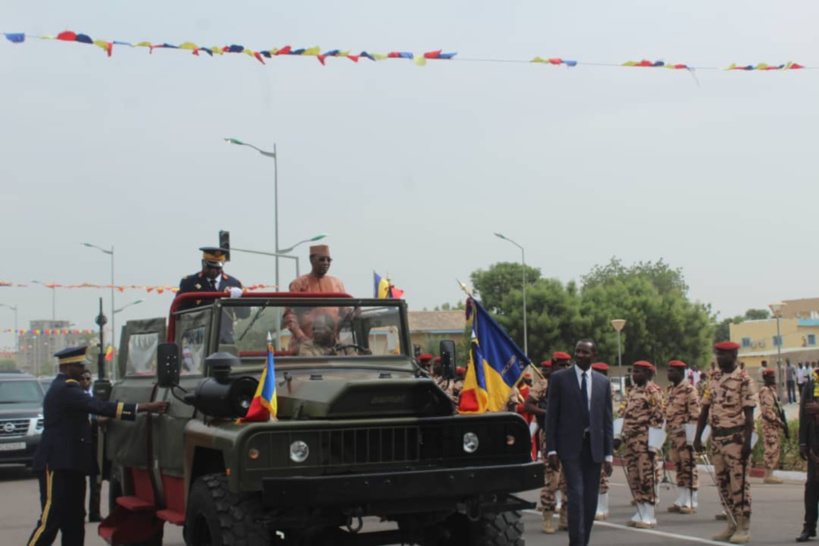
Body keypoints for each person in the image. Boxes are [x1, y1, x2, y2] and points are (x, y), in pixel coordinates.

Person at [27, 346, 168, 546]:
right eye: (79, 366)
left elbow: (73, 421)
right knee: (50, 520)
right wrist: (143, 407)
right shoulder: (66, 388)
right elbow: (100, 406)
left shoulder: (69, 388)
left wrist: (95, 423)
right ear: (66, 367)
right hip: (57, 464)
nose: (83, 369)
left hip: (72, 464)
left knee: (75, 520)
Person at [545, 339, 614, 546]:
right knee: (576, 494)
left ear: (594, 356)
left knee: (590, 499)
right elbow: (551, 416)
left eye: (585, 352)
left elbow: (607, 420)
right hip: (570, 447)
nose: (580, 355)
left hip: (594, 448)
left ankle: (584, 541)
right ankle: (575, 542)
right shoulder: (559, 379)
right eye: (578, 351)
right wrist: (551, 449)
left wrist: (608, 454)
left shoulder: (603, 383)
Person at [694, 341, 758, 544]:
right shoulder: (713, 378)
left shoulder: (744, 380)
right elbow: (705, 410)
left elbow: (749, 415)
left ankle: (743, 527)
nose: (718, 358)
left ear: (734, 356)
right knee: (722, 484)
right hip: (718, 439)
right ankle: (731, 524)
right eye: (717, 354)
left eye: (723, 354)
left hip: (736, 439)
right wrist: (697, 437)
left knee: (739, 485)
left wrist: (747, 444)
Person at [617, 360, 664, 528]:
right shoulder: (632, 391)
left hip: (645, 441)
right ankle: (640, 510)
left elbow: (658, 419)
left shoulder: (652, 392)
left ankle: (649, 514)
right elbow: (623, 414)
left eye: (638, 372)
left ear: (648, 373)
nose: (634, 375)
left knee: (646, 477)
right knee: (634, 477)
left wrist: (653, 445)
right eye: (633, 371)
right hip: (631, 440)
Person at [177, 246, 246, 343]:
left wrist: (238, 300)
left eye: (217, 267)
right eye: (209, 266)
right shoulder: (189, 282)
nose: (213, 270)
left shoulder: (233, 283)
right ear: (203, 263)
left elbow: (244, 314)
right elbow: (179, 313)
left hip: (223, 340)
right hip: (197, 340)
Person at [284, 244, 347, 349]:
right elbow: (290, 315)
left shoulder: (337, 284)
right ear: (311, 260)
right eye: (322, 259)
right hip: (304, 346)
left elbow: (345, 313)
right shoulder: (299, 284)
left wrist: (354, 312)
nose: (326, 263)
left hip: (331, 346)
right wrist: (302, 338)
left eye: (328, 260)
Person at [665, 360, 701, 515]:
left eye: (671, 371)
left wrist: (692, 439)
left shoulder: (689, 390)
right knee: (678, 466)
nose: (668, 373)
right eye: (668, 370)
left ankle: (692, 500)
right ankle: (682, 497)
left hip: (686, 435)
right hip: (674, 434)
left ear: (680, 372)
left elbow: (695, 415)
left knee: (689, 466)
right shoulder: (671, 390)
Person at [798, 365, 819, 542]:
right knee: (812, 487)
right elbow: (803, 415)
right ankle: (809, 527)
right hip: (815, 446)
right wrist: (803, 443)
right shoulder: (810, 385)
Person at [590, 361, 612, 521]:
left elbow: (607, 418)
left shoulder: (605, 389)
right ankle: (595, 505)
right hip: (589, 436)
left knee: (602, 474)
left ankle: (602, 507)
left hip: (601, 435)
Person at [80, 370, 102, 523]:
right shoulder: (77, 397)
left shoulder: (96, 396)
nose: (86, 381)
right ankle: (79, 512)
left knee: (96, 479)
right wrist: (97, 422)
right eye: (83, 379)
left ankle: (95, 512)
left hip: (97, 439)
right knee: (80, 480)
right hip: (82, 440)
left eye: (88, 378)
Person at [758, 368, 786, 484]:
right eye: (771, 377)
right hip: (769, 425)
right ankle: (768, 475)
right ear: (765, 378)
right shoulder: (765, 391)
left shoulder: (771, 390)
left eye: (774, 377)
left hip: (773, 425)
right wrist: (778, 421)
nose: (773, 379)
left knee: (775, 448)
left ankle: (770, 473)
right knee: (771, 448)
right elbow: (767, 411)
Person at [296, 314, 364, 356]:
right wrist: (325, 359)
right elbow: (309, 367)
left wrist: (364, 357)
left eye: (320, 328)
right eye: (314, 329)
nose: (315, 332)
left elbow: (354, 365)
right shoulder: (306, 347)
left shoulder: (346, 347)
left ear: (333, 331)